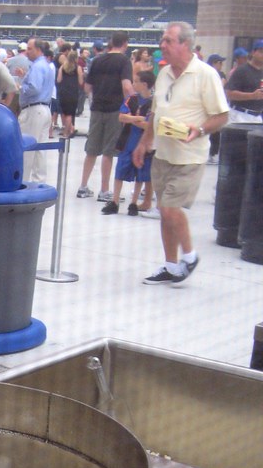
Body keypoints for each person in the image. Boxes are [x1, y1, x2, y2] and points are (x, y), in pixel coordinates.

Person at [133, 22, 229, 286]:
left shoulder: (205, 75)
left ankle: (190, 255)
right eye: (162, 40)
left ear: (184, 44)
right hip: (163, 153)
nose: (161, 45)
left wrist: (198, 129)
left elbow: (222, 115)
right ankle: (171, 266)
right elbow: (155, 112)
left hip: (189, 156)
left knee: (169, 207)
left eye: (167, 40)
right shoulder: (163, 73)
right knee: (164, 212)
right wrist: (143, 143)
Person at [76, 31, 133, 201]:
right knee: (109, 151)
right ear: (125, 43)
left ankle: (83, 186)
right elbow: (127, 86)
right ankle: (104, 190)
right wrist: (132, 104)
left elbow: (87, 87)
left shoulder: (97, 60)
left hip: (96, 109)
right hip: (114, 110)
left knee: (91, 149)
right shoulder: (124, 61)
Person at [101, 69, 155, 215]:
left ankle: (133, 203)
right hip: (127, 141)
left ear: (144, 84)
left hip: (142, 143)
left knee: (140, 174)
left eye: (136, 81)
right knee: (120, 171)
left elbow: (149, 124)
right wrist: (138, 119)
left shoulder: (153, 103)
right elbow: (122, 117)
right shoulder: (132, 99)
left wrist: (131, 119)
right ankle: (115, 201)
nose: (133, 84)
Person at [17, 37, 55, 183]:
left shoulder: (37, 67)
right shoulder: (47, 65)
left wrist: (21, 88)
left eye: (30, 49)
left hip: (33, 110)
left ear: (39, 50)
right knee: (40, 151)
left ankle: (23, 181)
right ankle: (39, 182)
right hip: (45, 109)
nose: (27, 52)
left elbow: (34, 87)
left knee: (27, 150)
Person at [224, 38, 263, 125]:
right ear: (253, 52)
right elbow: (229, 93)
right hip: (240, 114)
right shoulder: (242, 70)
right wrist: (252, 95)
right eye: (261, 51)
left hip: (257, 117)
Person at [56, 48, 83, 139]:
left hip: (63, 92)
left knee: (64, 112)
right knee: (70, 114)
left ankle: (67, 129)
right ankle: (66, 132)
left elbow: (59, 80)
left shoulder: (62, 67)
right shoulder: (78, 68)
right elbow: (80, 81)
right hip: (73, 93)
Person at [205, 54, 227, 163]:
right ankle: (207, 152)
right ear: (214, 63)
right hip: (207, 105)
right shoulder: (206, 73)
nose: (221, 65)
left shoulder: (221, 74)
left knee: (216, 130)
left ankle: (213, 153)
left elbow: (223, 85)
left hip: (217, 106)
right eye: (220, 63)